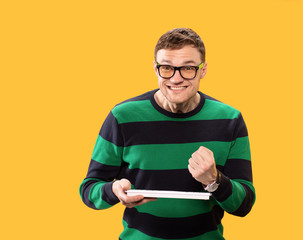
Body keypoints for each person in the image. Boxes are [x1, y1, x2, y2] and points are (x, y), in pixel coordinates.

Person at [79, 28, 255, 240]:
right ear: (155, 68)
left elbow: (244, 205)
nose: (176, 78)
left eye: (188, 68)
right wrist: (113, 190)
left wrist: (214, 180)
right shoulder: (122, 117)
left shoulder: (230, 120)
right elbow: (89, 190)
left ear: (203, 69)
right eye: (167, 68)